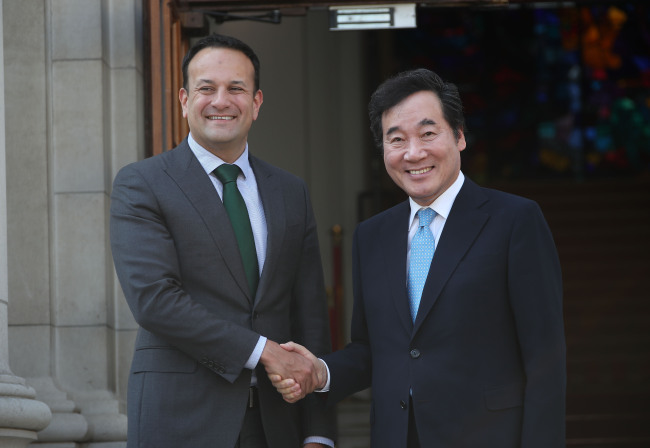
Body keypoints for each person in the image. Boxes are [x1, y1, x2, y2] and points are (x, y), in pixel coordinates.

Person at [272, 68, 566, 448]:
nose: (413, 153)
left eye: (428, 134)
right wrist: (320, 371)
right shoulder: (371, 235)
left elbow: (545, 361)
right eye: (397, 140)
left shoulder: (515, 221)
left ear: (459, 137)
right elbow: (372, 350)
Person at [110, 33, 335, 448]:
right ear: (183, 99)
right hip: (181, 418)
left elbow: (310, 316)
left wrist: (319, 432)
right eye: (206, 88)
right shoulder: (142, 183)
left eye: (236, 88)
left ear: (257, 102)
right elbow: (155, 301)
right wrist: (264, 350)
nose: (221, 101)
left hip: (276, 424)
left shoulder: (290, 191)